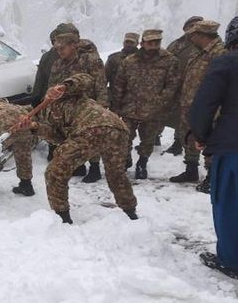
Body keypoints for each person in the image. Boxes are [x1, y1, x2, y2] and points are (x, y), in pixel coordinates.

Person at [23, 73, 137, 224]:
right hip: (117, 129)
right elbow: (60, 138)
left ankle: (62, 219)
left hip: (92, 128)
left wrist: (65, 86)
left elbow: (86, 79)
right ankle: (131, 214)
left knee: (54, 173)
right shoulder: (46, 117)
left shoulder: (58, 97)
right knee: (116, 174)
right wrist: (35, 127)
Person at [191, 16, 238, 280]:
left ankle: (231, 260)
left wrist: (202, 135)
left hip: (237, 149)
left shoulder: (227, 62)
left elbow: (202, 107)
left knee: (230, 204)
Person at [112, 29, 180, 179]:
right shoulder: (130, 61)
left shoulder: (169, 61)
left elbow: (172, 85)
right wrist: (117, 106)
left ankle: (142, 163)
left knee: (148, 140)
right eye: (150, 42)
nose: (153, 45)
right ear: (142, 43)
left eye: (157, 42)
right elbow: (119, 84)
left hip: (153, 110)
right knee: (124, 138)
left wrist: (161, 102)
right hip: (130, 108)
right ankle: (126, 160)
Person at [169, 21, 225, 192]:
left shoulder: (220, 54)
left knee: (210, 140)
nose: (190, 37)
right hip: (190, 106)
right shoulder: (198, 52)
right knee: (189, 137)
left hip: (210, 109)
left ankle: (211, 177)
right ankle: (191, 170)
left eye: (193, 34)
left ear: (202, 35)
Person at [48, 32, 108, 183]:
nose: (60, 51)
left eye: (63, 48)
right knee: (73, 136)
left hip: (90, 107)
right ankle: (79, 165)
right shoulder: (57, 64)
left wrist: (102, 106)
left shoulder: (90, 61)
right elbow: (53, 86)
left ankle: (94, 168)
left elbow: (101, 84)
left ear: (73, 45)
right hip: (68, 110)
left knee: (92, 137)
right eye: (57, 49)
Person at [162, 16, 204, 154]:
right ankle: (158, 136)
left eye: (197, 25)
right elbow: (165, 62)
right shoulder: (176, 44)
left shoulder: (205, 44)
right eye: (191, 25)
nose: (194, 28)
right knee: (173, 114)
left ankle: (181, 143)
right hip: (175, 85)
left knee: (188, 117)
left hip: (196, 87)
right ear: (185, 28)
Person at [105, 32, 140, 105]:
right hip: (115, 100)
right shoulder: (113, 58)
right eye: (127, 42)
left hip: (136, 103)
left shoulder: (143, 59)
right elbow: (104, 79)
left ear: (137, 43)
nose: (128, 44)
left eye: (131, 42)